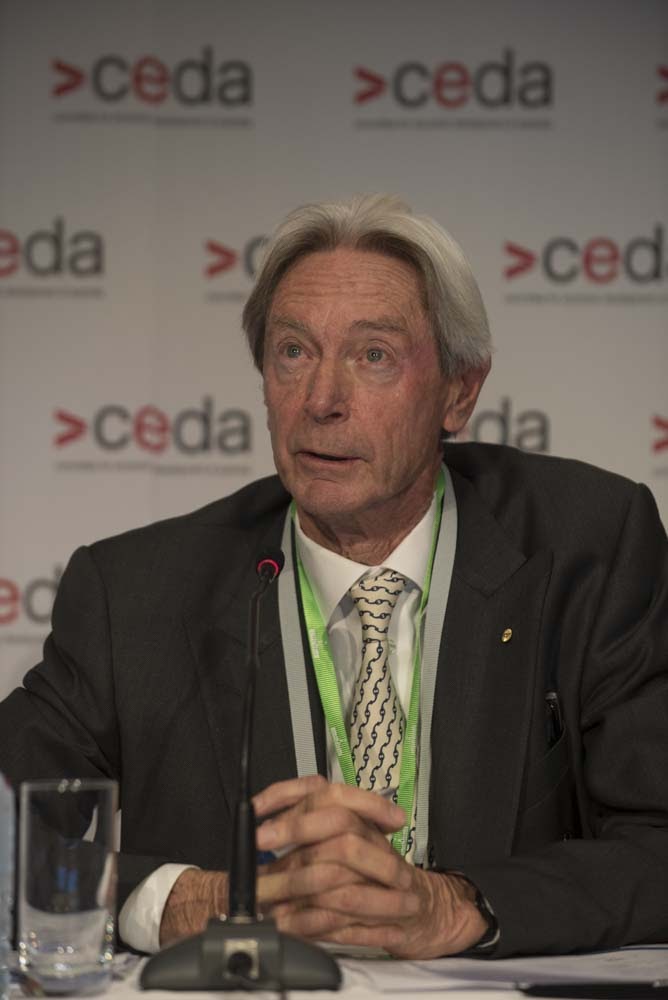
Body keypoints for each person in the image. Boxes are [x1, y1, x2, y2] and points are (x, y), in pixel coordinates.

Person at [1, 195, 667, 960]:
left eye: (373, 355)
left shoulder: (590, 548)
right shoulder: (137, 594)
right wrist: (184, 903)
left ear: (459, 391)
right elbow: (5, 832)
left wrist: (457, 906)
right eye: (293, 352)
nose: (321, 401)